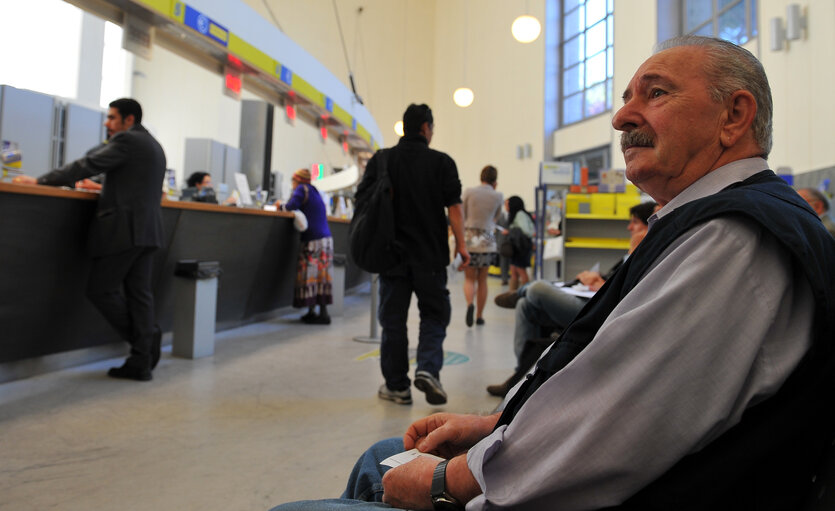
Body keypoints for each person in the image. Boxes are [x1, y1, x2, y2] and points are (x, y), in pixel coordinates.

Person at [271, 36, 835, 510]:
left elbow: (611, 431)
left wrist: (448, 482)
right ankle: (431, 369)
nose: (621, 117)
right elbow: (608, 387)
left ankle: (401, 377)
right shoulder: (700, 221)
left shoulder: (732, 240)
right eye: (625, 98)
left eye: (655, 93)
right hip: (435, 269)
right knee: (385, 452)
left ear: (734, 116)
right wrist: (498, 424)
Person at [13, 98, 166, 382]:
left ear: (128, 120)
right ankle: (141, 358)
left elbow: (87, 164)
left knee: (101, 290)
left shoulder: (127, 141)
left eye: (111, 118)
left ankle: (144, 342)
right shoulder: (153, 145)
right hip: (149, 230)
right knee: (140, 295)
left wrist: (40, 181)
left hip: (124, 230)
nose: (107, 123)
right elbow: (133, 183)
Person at [358, 103, 469, 406]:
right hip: (431, 257)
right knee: (434, 315)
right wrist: (461, 246)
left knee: (392, 321)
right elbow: (455, 209)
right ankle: (428, 369)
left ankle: (397, 387)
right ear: (425, 128)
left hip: (391, 255)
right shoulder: (442, 162)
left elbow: (362, 201)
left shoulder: (382, 160)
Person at [487, 201, 656, 397]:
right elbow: (617, 280)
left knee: (539, 288)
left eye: (634, 222)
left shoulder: (648, 250)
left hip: (599, 313)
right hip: (592, 298)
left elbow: (630, 293)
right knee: (526, 306)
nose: (629, 227)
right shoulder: (637, 245)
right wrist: (599, 279)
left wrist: (630, 256)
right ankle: (520, 377)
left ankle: (520, 292)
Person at [280, 168, 334, 325]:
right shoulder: (314, 190)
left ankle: (314, 312)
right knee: (321, 277)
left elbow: (290, 206)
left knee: (310, 275)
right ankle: (320, 313)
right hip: (325, 239)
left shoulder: (301, 189)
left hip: (313, 240)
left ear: (296, 180)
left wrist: (280, 205)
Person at [461, 165, 503, 327]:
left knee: (469, 278)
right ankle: (479, 315)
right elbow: (497, 218)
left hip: (470, 238)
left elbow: (462, 213)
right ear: (495, 180)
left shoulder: (469, 192)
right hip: (487, 239)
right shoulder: (498, 195)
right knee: (483, 279)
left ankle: (469, 304)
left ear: (481, 177)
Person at [504, 196, 534, 291]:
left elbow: (526, 231)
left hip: (522, 247)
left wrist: (510, 231)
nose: (505, 207)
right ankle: (512, 295)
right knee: (514, 271)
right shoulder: (516, 215)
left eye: (507, 204)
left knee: (521, 271)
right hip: (517, 247)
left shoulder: (520, 215)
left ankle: (526, 294)